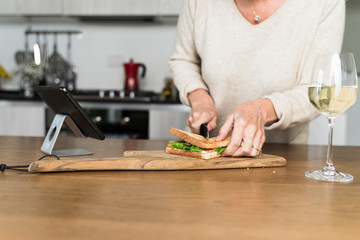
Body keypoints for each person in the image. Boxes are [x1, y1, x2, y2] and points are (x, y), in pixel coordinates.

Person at [169, 0, 345, 157]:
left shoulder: (325, 4)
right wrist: (200, 98)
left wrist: (261, 110)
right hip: (206, 156)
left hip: (283, 158)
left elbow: (318, 89)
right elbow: (183, 60)